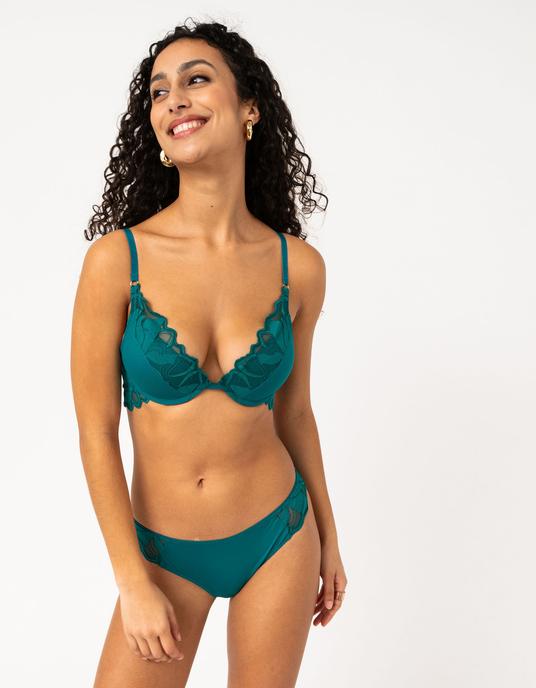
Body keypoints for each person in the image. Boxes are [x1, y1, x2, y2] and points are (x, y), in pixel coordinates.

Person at [70, 18, 347, 687]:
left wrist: (330, 536)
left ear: (249, 108)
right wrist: (131, 579)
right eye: (159, 92)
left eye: (196, 80)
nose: (175, 100)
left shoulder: (299, 268)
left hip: (279, 534)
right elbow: (95, 431)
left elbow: (295, 414)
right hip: (163, 553)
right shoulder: (118, 261)